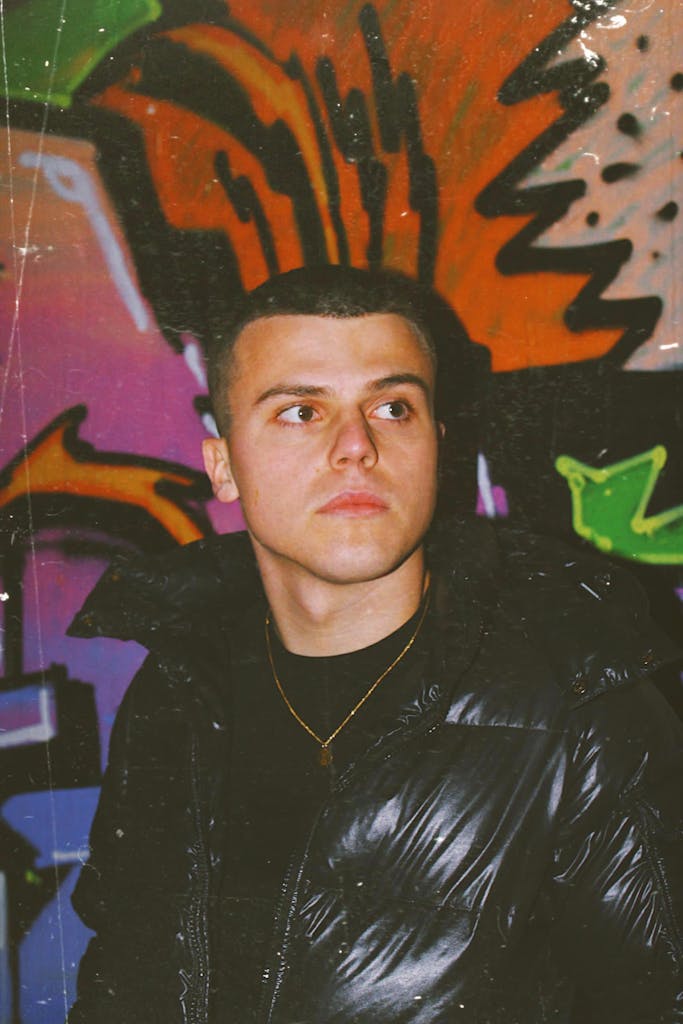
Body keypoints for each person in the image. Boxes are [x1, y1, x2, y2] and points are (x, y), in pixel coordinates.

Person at [67, 266, 682, 1024]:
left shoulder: (580, 705)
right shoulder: (176, 691)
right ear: (223, 465)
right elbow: (117, 977)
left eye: (393, 407)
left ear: (436, 448)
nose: (355, 447)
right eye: (300, 411)